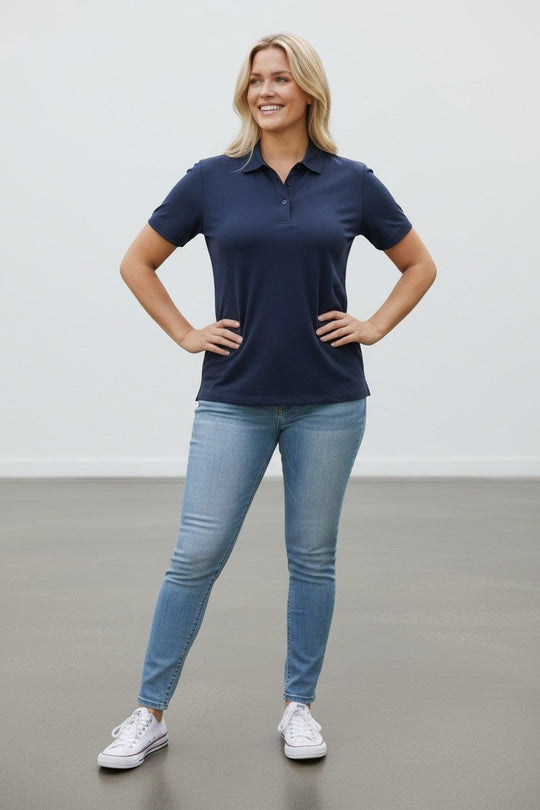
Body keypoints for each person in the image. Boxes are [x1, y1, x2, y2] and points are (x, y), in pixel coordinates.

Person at [97, 31, 436, 769]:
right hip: (234, 400)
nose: (266, 91)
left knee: (312, 559)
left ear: (308, 90)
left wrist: (374, 323)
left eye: (280, 78)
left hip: (329, 401)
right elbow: (138, 260)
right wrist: (185, 331)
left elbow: (417, 264)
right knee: (195, 555)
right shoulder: (212, 179)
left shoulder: (351, 181)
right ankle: (148, 713)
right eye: (256, 80)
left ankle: (299, 707)